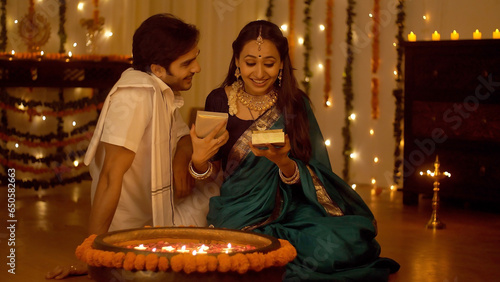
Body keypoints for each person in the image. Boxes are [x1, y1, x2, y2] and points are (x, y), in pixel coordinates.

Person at [189, 20, 400, 281]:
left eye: (268, 63)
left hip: (292, 207)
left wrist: (283, 162)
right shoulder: (220, 100)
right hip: (238, 211)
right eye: (250, 62)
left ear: (281, 65)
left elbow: (313, 169)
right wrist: (198, 160)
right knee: (247, 253)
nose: (259, 72)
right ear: (237, 62)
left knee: (346, 242)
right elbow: (213, 171)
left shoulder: (294, 103)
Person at [46, 13, 228, 280]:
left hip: (159, 214)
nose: (197, 68)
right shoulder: (134, 98)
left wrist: (181, 156)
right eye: (188, 62)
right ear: (157, 69)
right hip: (129, 234)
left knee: (224, 188)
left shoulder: (159, 90)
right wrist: (93, 257)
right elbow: (110, 177)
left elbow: (182, 137)